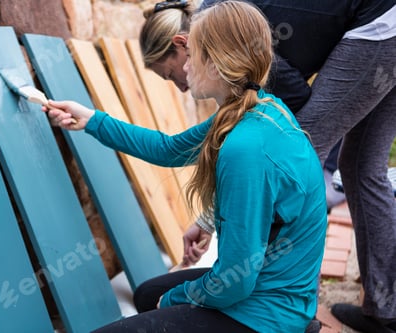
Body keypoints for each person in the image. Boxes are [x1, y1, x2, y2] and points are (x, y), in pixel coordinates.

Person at [43, 2, 327, 332]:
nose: (185, 66)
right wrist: (92, 120)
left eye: (192, 55)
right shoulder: (253, 108)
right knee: (148, 294)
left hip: (266, 312)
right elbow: (167, 149)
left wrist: (180, 296)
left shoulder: (245, 146)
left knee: (156, 302)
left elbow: (236, 282)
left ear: (217, 63)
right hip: (275, 286)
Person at [142, 1, 396, 332]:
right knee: (362, 166)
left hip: (380, 25)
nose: (181, 85)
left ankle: (293, 309)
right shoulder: (220, 18)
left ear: (182, 44)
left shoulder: (224, 30)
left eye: (170, 73)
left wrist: (209, 217)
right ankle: (385, 306)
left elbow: (293, 103)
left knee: (304, 145)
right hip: (384, 22)